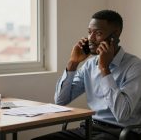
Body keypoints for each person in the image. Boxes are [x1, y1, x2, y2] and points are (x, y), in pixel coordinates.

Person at [32, 10, 141, 140]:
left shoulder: (134, 66)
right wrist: (73, 63)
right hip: (90, 128)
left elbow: (122, 114)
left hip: (120, 133)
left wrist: (104, 68)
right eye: (90, 32)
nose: (91, 38)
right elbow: (60, 101)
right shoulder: (90, 65)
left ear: (115, 35)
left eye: (98, 33)